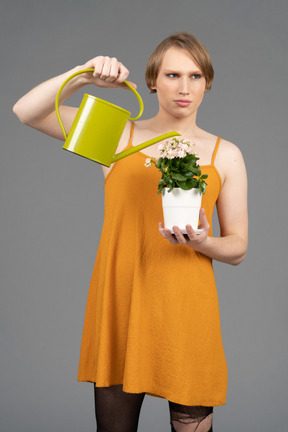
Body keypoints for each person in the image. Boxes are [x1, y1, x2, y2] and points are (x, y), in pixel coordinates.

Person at [13, 32, 248, 432]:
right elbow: (26, 112)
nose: (184, 87)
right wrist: (84, 75)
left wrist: (204, 242)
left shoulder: (224, 154)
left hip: (187, 310)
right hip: (121, 302)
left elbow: (238, 247)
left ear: (207, 82)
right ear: (153, 80)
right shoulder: (117, 134)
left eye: (195, 76)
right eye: (172, 74)